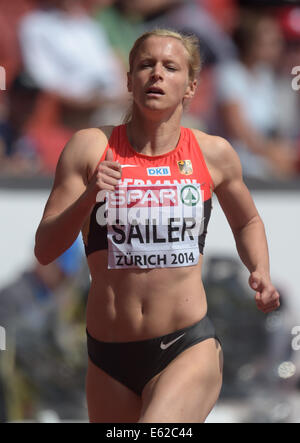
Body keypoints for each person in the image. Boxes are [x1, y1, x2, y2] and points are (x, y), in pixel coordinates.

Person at [34, 29, 280, 423]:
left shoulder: (212, 153)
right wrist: (88, 196)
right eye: (146, 65)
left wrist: (260, 270)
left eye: (170, 67)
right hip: (107, 357)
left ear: (190, 86)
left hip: (186, 346)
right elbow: (45, 250)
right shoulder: (89, 148)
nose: (157, 75)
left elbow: (247, 219)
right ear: (129, 80)